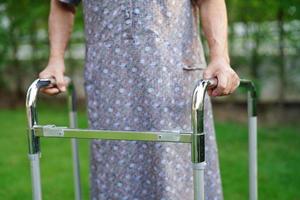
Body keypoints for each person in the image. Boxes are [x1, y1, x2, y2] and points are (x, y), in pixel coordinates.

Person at [39, 0, 240, 199]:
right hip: (111, 88)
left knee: (177, 176)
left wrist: (220, 57)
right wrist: (55, 59)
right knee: (116, 174)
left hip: (174, 83)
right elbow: (62, 3)